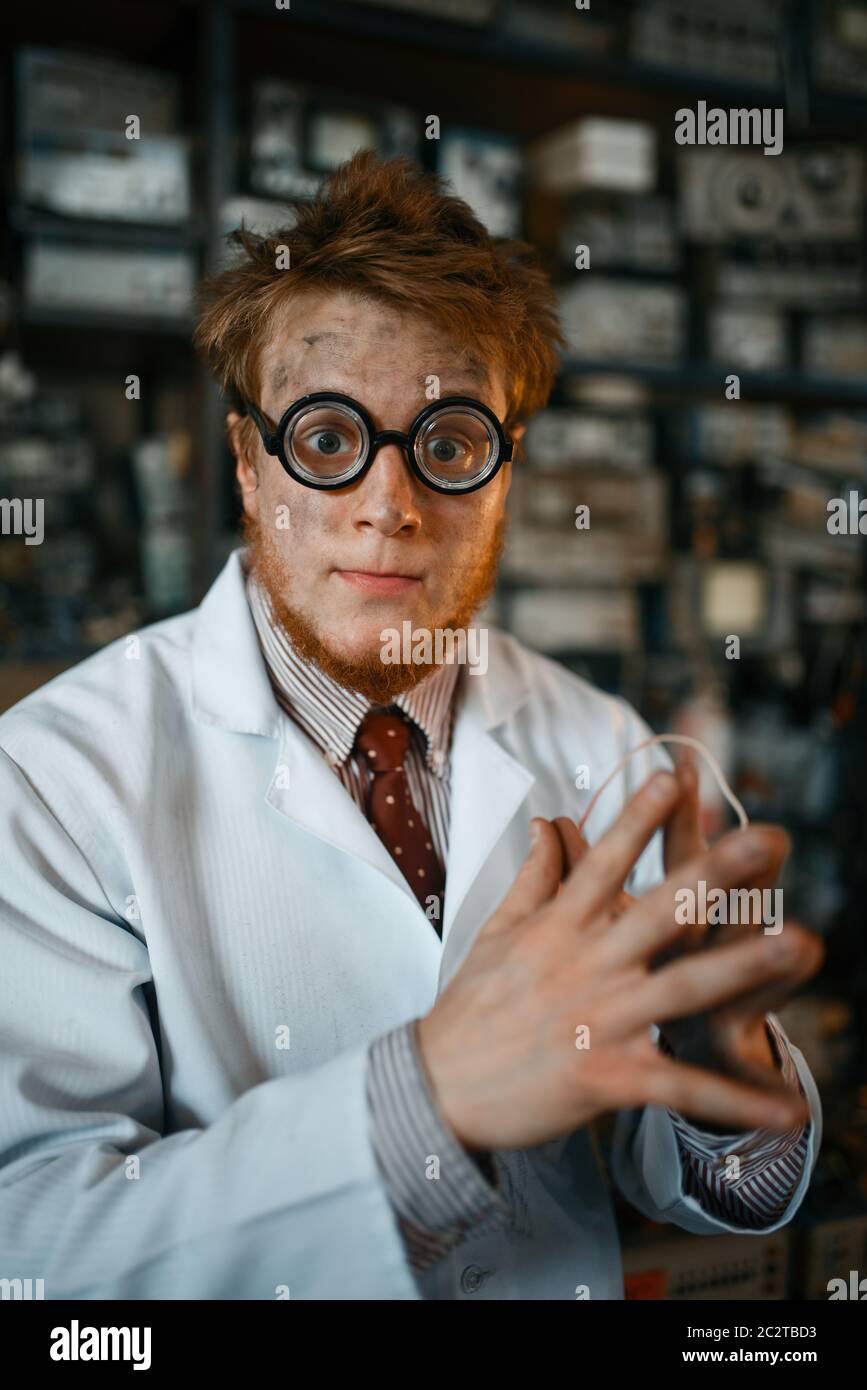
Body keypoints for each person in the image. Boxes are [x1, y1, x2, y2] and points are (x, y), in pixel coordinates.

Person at [0, 153, 822, 1300]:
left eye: (445, 445)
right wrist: (426, 1102)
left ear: (504, 472)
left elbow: (714, 1191)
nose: (389, 505)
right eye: (328, 441)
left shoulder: (607, 744)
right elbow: (35, 1253)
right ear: (247, 463)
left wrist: (721, 1076)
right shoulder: (49, 782)